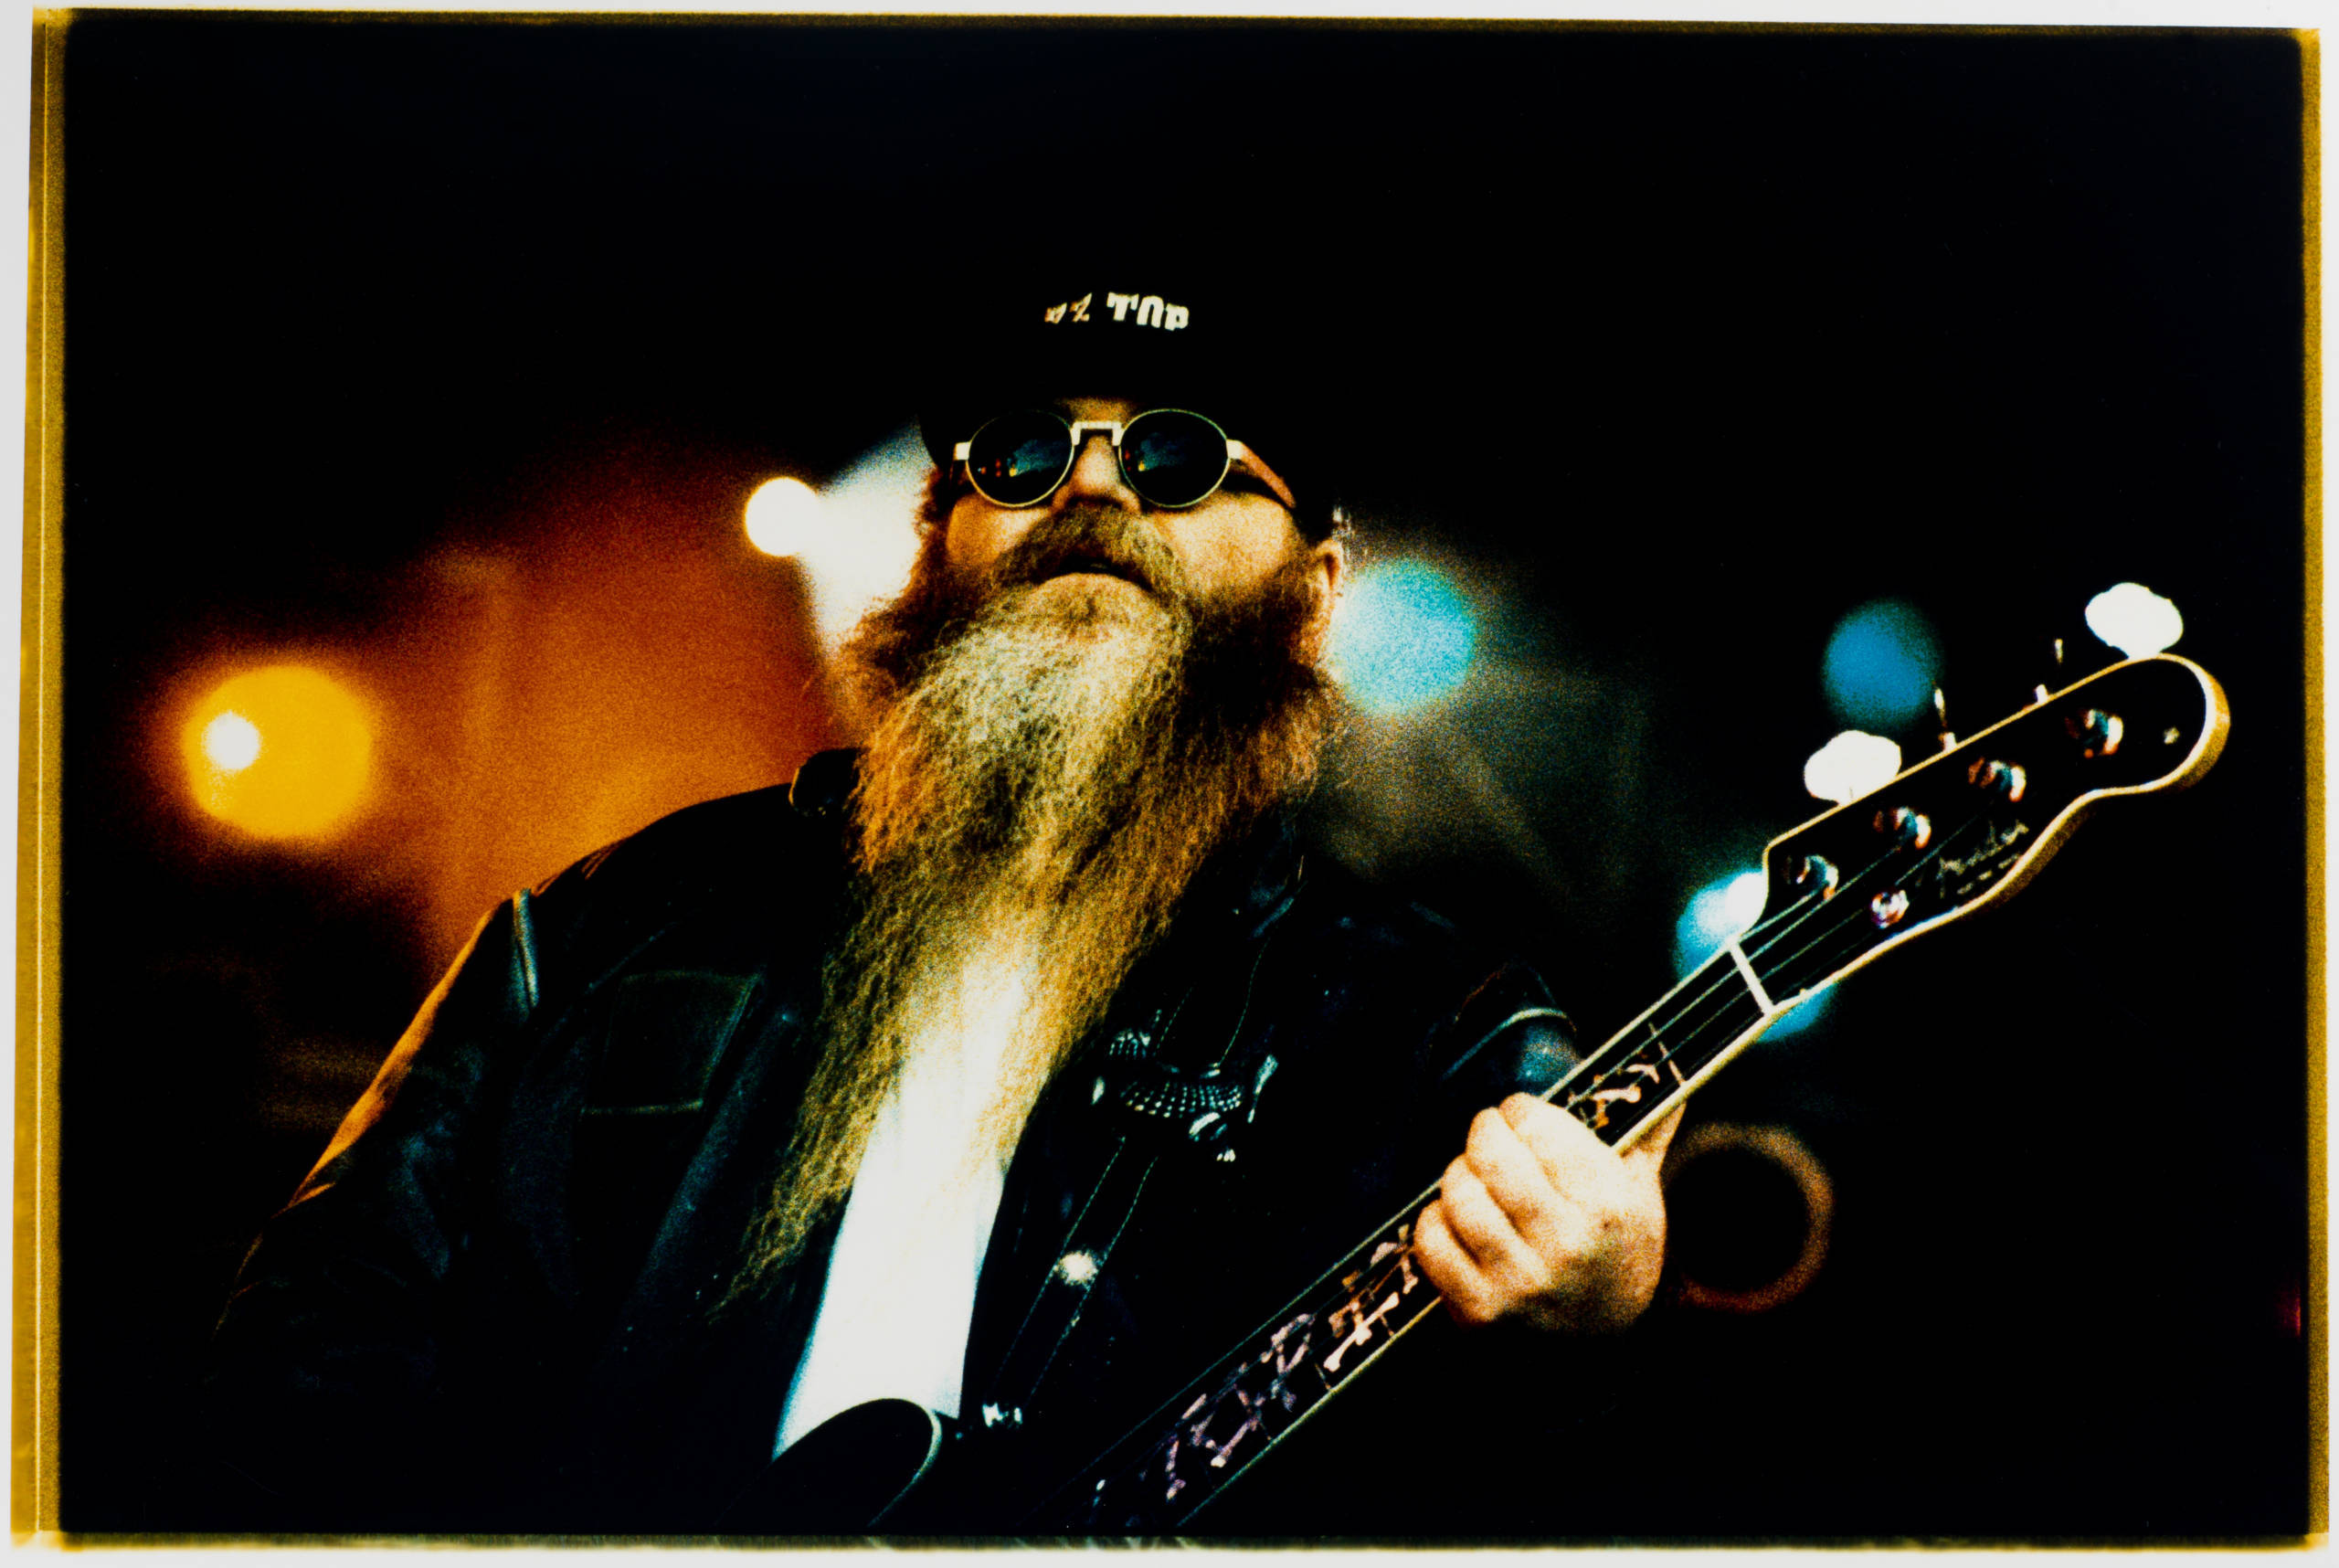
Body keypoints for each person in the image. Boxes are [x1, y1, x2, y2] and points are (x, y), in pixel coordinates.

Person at [203, 272, 1680, 1535]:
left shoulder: (1439, 1032)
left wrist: (1587, 1326)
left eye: (1178, 456)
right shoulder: (608, 923)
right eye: (1025, 452)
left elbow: (1481, 1511)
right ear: (936, 537)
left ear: (1316, 582)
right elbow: (311, 1349)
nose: (1091, 488)